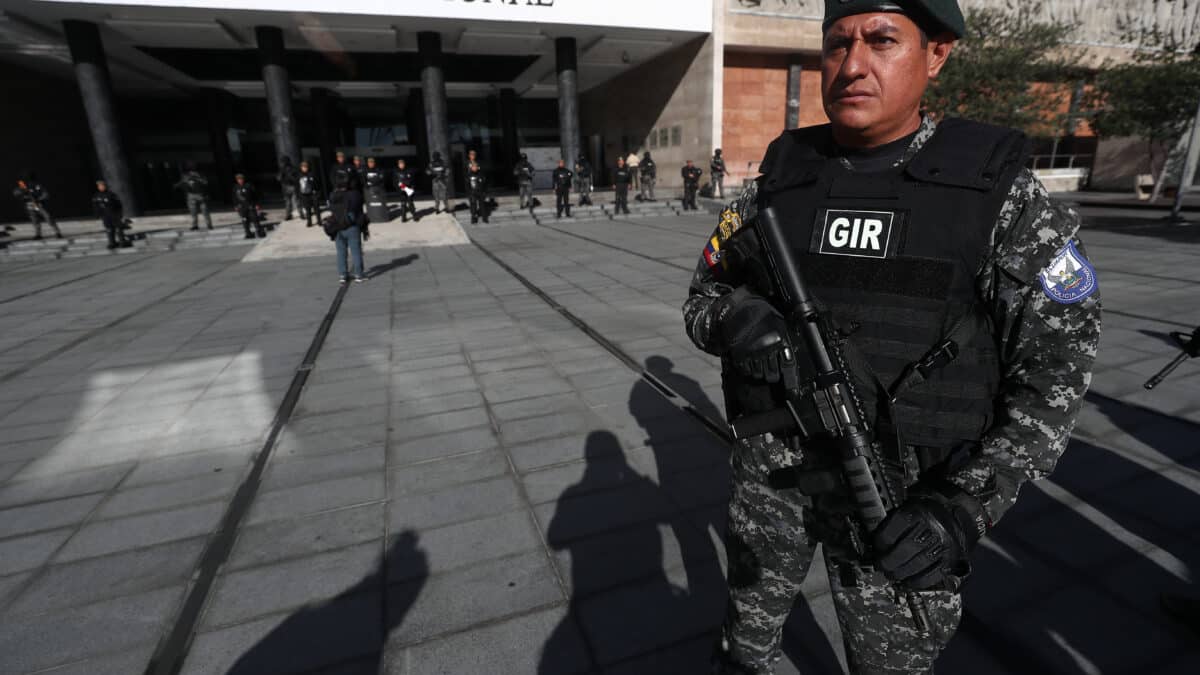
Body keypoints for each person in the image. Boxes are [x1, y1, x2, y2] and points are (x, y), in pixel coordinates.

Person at [682, 2, 1102, 673]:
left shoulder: (1001, 198)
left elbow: (1055, 376)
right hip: (775, 477)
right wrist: (732, 316)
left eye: (882, 41)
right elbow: (703, 294)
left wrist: (965, 506)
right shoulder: (779, 178)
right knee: (745, 641)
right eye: (837, 43)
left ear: (936, 54)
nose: (852, 65)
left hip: (904, 500)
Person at [327, 174, 367, 284]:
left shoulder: (332, 195)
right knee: (356, 251)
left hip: (337, 227)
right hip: (351, 226)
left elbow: (330, 208)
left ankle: (342, 275)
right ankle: (359, 275)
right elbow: (360, 208)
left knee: (341, 252)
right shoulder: (354, 194)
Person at [12, 173, 62, 240]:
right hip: (29, 205)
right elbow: (16, 193)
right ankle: (38, 234)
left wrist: (39, 199)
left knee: (48, 217)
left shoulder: (37, 185)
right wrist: (22, 193)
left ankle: (57, 232)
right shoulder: (22, 186)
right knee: (35, 220)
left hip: (37, 204)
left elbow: (45, 194)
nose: (29, 181)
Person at [173, 162, 212, 231]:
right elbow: (180, 184)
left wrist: (197, 178)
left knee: (205, 210)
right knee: (193, 211)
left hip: (200, 194)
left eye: (192, 167)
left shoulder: (200, 174)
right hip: (191, 195)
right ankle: (195, 225)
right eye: (190, 168)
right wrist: (180, 184)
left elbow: (205, 182)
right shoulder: (185, 175)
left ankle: (209, 224)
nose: (191, 170)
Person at [92, 179, 130, 249]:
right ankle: (112, 242)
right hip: (105, 215)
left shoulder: (111, 194)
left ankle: (122, 242)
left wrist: (120, 214)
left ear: (105, 186)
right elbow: (96, 206)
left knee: (118, 228)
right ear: (98, 187)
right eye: (99, 186)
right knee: (109, 229)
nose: (101, 187)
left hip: (114, 214)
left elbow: (118, 204)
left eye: (102, 185)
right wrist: (97, 215)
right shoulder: (96, 196)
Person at [232, 173, 265, 239]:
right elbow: (234, 197)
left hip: (250, 205)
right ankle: (248, 233)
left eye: (241, 179)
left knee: (255, 219)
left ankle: (259, 232)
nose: (240, 180)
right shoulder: (235, 187)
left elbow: (255, 195)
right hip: (242, 207)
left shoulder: (248, 186)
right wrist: (235, 206)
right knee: (245, 220)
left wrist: (257, 204)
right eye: (238, 179)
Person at [393, 158, 418, 222]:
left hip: (409, 190)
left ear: (404, 164)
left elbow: (413, 180)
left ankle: (414, 216)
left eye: (402, 164)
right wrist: (399, 189)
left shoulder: (409, 170)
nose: (401, 165)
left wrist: (412, 187)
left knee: (411, 204)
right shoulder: (396, 172)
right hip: (401, 191)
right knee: (403, 204)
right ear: (398, 165)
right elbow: (395, 182)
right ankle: (404, 217)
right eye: (400, 164)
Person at [298, 160, 321, 227]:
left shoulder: (312, 174)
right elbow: (297, 185)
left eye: (306, 167)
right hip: (304, 195)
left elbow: (317, 183)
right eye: (303, 167)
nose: (304, 168)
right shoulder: (299, 175)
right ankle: (309, 222)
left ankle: (319, 221)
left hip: (313, 193)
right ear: (301, 168)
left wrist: (317, 192)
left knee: (316, 208)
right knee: (308, 209)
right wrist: (299, 194)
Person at [277, 156, 300, 221]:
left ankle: (300, 213)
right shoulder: (282, 169)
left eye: (283, 162)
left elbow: (297, 177)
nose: (282, 164)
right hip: (286, 187)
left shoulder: (293, 168)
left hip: (292, 186)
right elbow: (278, 178)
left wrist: (291, 177)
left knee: (296, 201)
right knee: (288, 202)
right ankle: (288, 214)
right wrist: (281, 175)